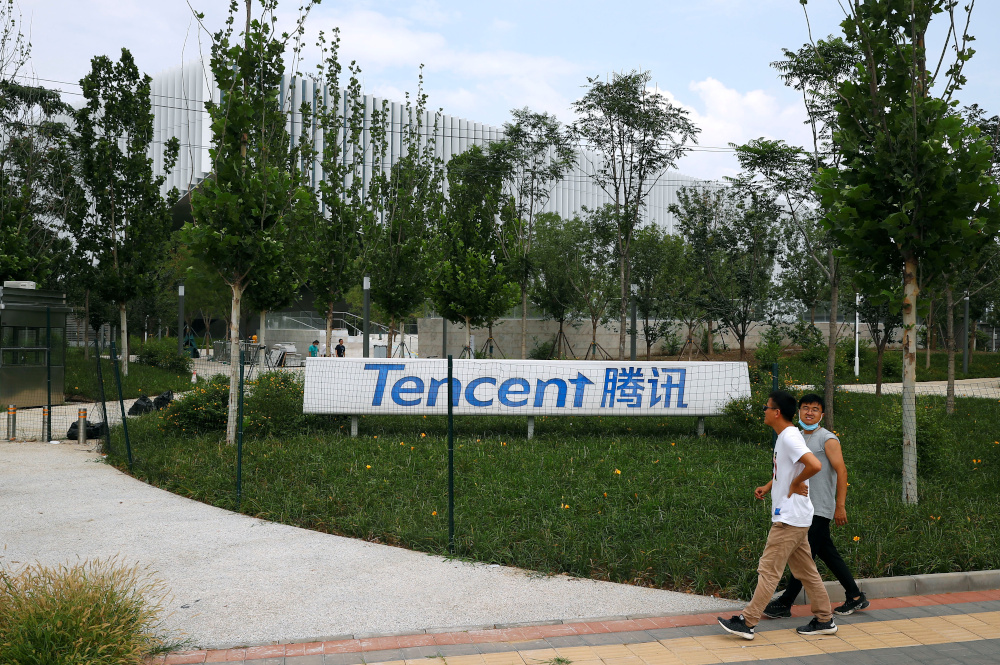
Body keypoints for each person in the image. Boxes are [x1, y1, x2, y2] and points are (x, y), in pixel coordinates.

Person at [717, 390, 838, 641]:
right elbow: (788, 469)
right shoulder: (787, 436)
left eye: (766, 407)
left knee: (769, 569)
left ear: (777, 412)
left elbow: (814, 465)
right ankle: (824, 619)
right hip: (797, 516)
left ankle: (747, 622)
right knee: (807, 572)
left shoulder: (790, 437)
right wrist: (770, 485)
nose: (764, 411)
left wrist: (795, 483)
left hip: (789, 518)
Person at [763, 394, 869, 618]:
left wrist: (840, 505)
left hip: (819, 507)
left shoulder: (827, 439)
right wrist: (768, 486)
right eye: (805, 408)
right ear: (798, 411)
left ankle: (785, 602)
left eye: (815, 409)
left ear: (822, 414)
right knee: (825, 552)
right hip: (802, 507)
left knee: (804, 556)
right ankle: (855, 595)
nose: (809, 412)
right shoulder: (796, 436)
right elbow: (790, 471)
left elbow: (841, 471)